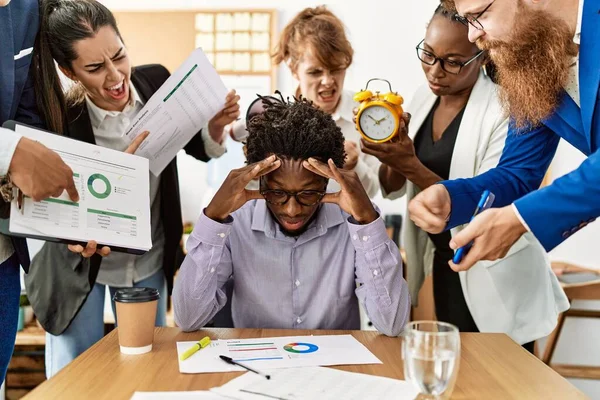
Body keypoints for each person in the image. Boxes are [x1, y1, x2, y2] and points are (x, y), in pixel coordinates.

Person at [26, 0, 240, 377]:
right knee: (78, 375)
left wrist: (216, 127)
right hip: (80, 263)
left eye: (119, 56)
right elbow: (43, 194)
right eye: (94, 67)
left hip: (148, 257)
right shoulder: (59, 114)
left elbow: (195, 146)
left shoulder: (155, 79)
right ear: (68, 71)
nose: (114, 76)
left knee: (147, 366)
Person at [359, 5, 568, 349]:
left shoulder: (507, 106)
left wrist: (410, 163)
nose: (435, 71)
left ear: (482, 56)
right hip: (445, 260)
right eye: (428, 54)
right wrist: (393, 156)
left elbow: (493, 196)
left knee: (502, 379)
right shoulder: (424, 96)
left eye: (453, 61)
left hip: (495, 267)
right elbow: (393, 187)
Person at [173, 96, 410, 337]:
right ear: (260, 178)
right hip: (257, 366)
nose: (292, 210)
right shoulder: (236, 219)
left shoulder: (354, 219)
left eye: (308, 193)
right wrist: (213, 218)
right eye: (277, 193)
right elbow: (188, 318)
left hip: (334, 369)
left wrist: (368, 222)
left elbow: (392, 324)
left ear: (327, 179)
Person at [408, 0, 600, 272]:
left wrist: (521, 219)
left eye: (479, 15)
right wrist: (452, 197)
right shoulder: (532, 61)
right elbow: (518, 173)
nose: (472, 35)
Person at [0, 0, 99, 382]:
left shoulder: (27, 9)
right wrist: (7, 151)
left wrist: (70, 221)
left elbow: (27, 117)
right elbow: (15, 148)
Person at [229, 6, 381, 197]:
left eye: (335, 69)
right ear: (294, 69)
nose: (327, 81)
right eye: (315, 72)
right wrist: (255, 169)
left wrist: (354, 167)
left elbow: (373, 191)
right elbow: (254, 192)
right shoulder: (270, 113)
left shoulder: (364, 114)